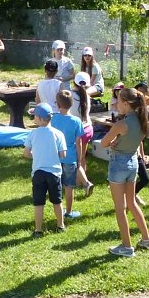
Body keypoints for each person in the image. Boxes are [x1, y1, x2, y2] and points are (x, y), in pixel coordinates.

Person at [99, 87, 149, 257]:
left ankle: (126, 246)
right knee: (132, 203)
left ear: (126, 104)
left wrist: (113, 142)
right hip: (133, 164)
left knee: (120, 207)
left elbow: (103, 143)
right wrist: (117, 141)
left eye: (118, 102)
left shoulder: (121, 124)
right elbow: (131, 140)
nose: (116, 105)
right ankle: (147, 240)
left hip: (119, 165)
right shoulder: (141, 120)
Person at [23, 103, 67, 238]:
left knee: (38, 202)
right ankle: (60, 225)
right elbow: (63, 155)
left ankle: (38, 230)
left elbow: (26, 153)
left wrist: (36, 156)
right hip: (54, 173)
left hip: (38, 173)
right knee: (57, 201)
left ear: (40, 119)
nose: (33, 118)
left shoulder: (33, 134)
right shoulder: (58, 134)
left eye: (34, 116)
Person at [52, 90, 86, 220]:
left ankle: (58, 210)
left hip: (56, 156)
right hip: (71, 157)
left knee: (57, 185)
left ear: (58, 104)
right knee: (69, 186)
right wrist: (80, 158)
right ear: (72, 104)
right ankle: (69, 211)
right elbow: (79, 142)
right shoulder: (76, 121)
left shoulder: (53, 119)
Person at [71, 72, 96, 196]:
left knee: (75, 159)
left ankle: (81, 182)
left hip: (77, 131)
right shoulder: (86, 95)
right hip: (88, 129)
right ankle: (81, 182)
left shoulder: (70, 95)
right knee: (82, 157)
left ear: (74, 82)